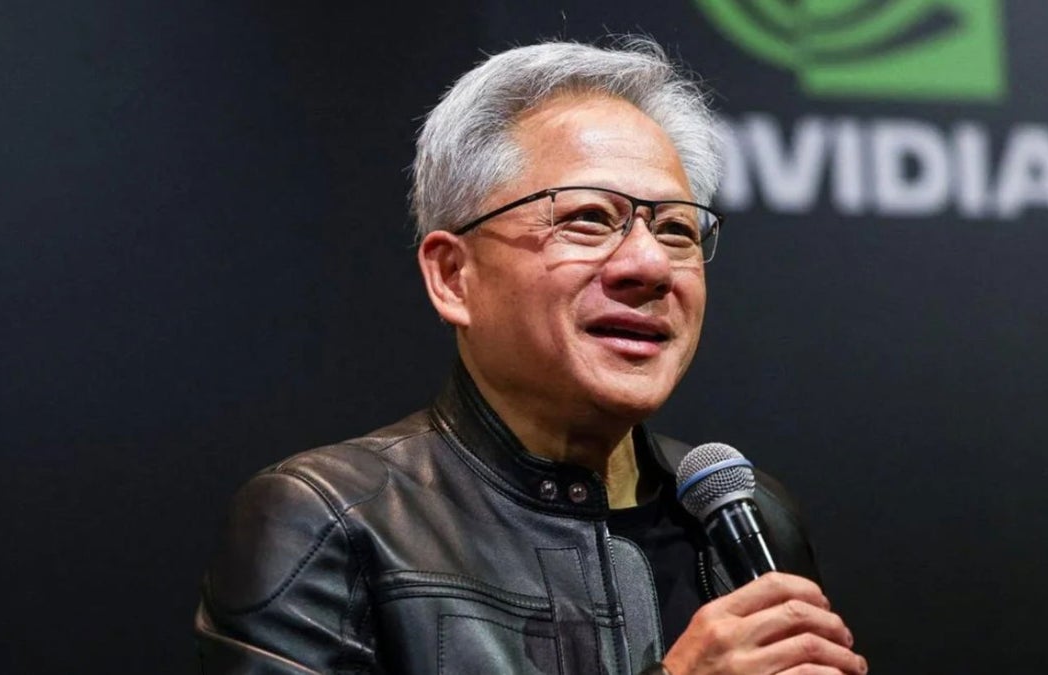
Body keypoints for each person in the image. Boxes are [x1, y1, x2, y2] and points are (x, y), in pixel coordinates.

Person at [194, 33, 866, 675]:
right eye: (589, 219)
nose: (650, 264)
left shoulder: (750, 514)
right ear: (454, 276)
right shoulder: (331, 521)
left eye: (676, 229)